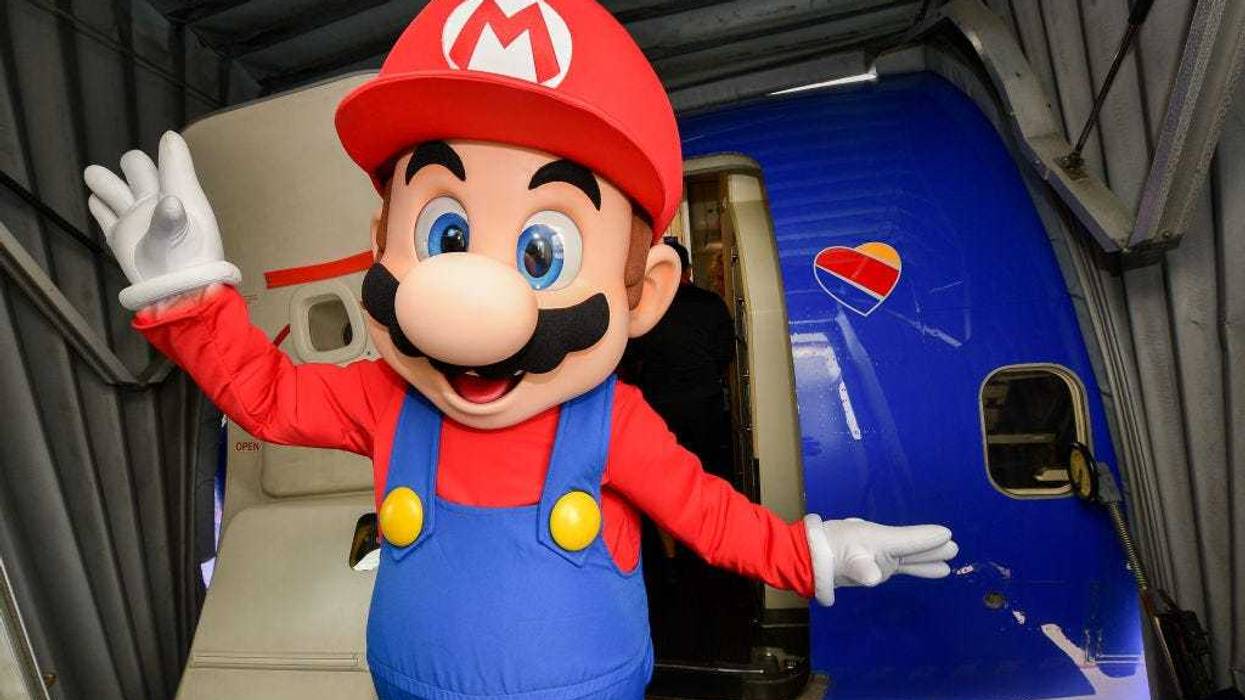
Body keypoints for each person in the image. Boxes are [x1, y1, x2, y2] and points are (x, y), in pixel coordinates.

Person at [82, 1, 958, 698]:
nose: (468, 300)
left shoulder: (613, 422)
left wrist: (816, 553)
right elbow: (267, 396)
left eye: (543, 253)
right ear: (383, 236)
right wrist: (189, 301)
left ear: (640, 292)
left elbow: (712, 518)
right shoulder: (383, 400)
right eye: (446, 231)